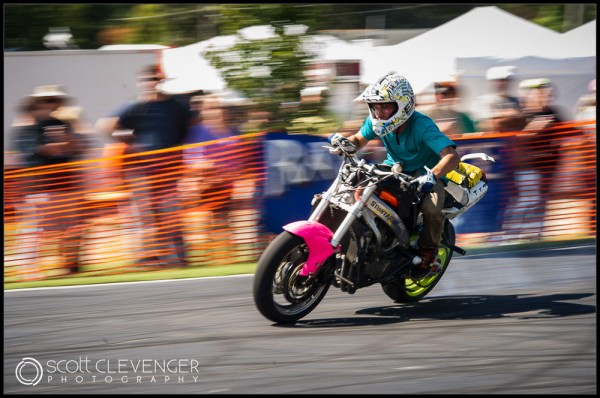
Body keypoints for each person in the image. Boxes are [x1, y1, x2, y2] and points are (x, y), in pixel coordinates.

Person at [329, 73, 460, 280]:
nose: (379, 112)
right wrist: (345, 143)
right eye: (375, 106)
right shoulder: (377, 121)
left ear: (403, 105)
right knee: (357, 186)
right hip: (394, 169)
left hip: (424, 175)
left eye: (385, 106)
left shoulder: (422, 126)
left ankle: (428, 253)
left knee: (431, 207)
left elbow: (452, 156)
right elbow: (358, 140)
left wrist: (432, 176)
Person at [95, 64, 195, 268]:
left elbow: (193, 124)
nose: (151, 83)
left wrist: (181, 148)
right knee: (144, 214)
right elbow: (104, 126)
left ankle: (178, 257)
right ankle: (147, 258)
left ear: (161, 81)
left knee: (171, 212)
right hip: (141, 170)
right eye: (147, 80)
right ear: (140, 83)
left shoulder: (176, 106)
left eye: (155, 79)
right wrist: (128, 142)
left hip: (169, 168)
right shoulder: (135, 106)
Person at [10, 85, 87, 277]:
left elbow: (79, 147)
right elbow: (43, 151)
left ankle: (70, 267)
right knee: (35, 229)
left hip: (65, 184)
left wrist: (64, 141)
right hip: (39, 186)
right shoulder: (26, 127)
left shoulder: (63, 123)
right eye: (47, 100)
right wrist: (63, 144)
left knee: (70, 227)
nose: (52, 105)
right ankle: (28, 268)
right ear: (36, 103)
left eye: (55, 100)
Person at [473, 66, 527, 132]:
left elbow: (523, 120)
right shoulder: (483, 101)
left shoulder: (516, 100)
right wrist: (509, 114)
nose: (505, 83)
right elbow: (486, 124)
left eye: (507, 80)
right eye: (501, 80)